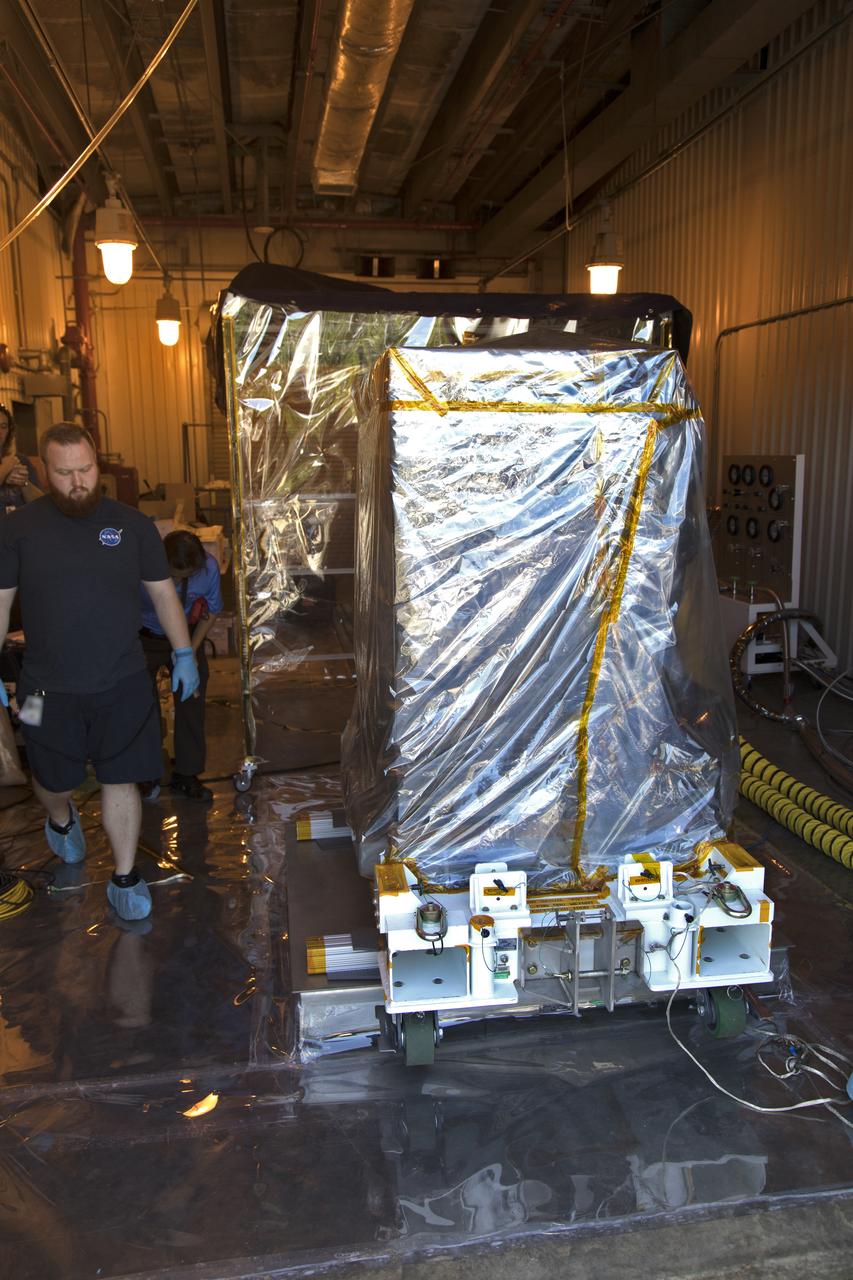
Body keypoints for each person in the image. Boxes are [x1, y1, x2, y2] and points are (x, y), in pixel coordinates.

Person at [0, 423, 199, 921]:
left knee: (121, 778)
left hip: (122, 679)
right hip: (44, 685)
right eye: (64, 473)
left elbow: (161, 593)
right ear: (45, 471)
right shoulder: (18, 528)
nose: (77, 482)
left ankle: (125, 875)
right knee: (51, 779)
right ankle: (62, 819)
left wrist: (183, 653)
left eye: (85, 469)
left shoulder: (131, 525)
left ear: (98, 465)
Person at [139, 529, 222, 803]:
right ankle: (146, 773)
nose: (178, 581)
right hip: (144, 636)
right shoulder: (141, 563)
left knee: (191, 702)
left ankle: (187, 774)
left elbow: (212, 611)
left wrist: (188, 654)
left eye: (185, 577)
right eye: (173, 574)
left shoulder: (209, 568)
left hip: (186, 637)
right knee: (141, 704)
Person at [0, 403, 42, 512]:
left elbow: (41, 505)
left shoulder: (20, 461)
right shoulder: (11, 462)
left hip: (20, 526)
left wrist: (23, 483)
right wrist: (5, 468)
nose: (0, 431)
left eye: (3, 426)